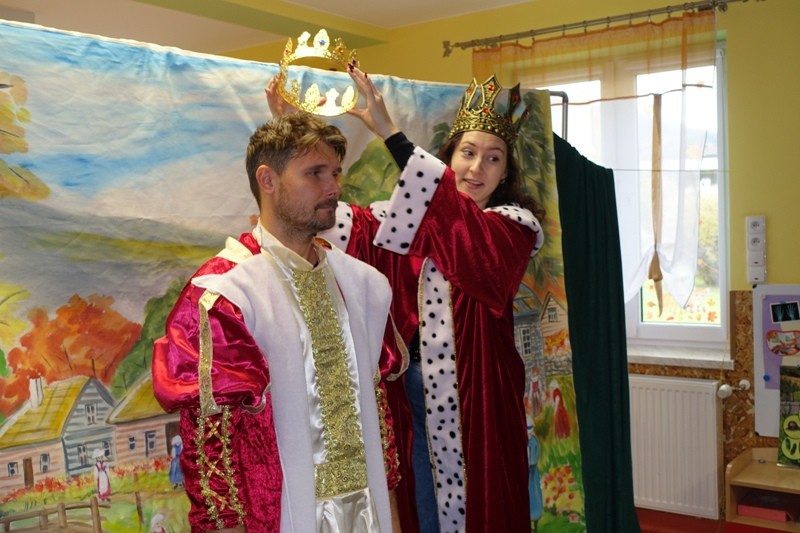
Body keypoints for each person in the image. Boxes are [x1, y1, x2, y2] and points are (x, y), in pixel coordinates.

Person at [267, 66, 544, 533]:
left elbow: (468, 241)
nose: (476, 168)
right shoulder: (403, 221)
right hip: (411, 394)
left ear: (505, 173)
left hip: (478, 395)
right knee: (420, 500)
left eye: (493, 158)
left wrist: (390, 133)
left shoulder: (512, 228)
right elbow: (332, 221)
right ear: (448, 159)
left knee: (485, 503)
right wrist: (292, 146)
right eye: (468, 153)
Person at [152, 111, 404, 532]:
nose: (333, 188)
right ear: (267, 180)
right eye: (315, 173)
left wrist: (392, 517)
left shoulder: (362, 284)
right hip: (280, 517)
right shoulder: (227, 293)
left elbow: (379, 415)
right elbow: (211, 445)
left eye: (335, 173)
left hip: (366, 513)